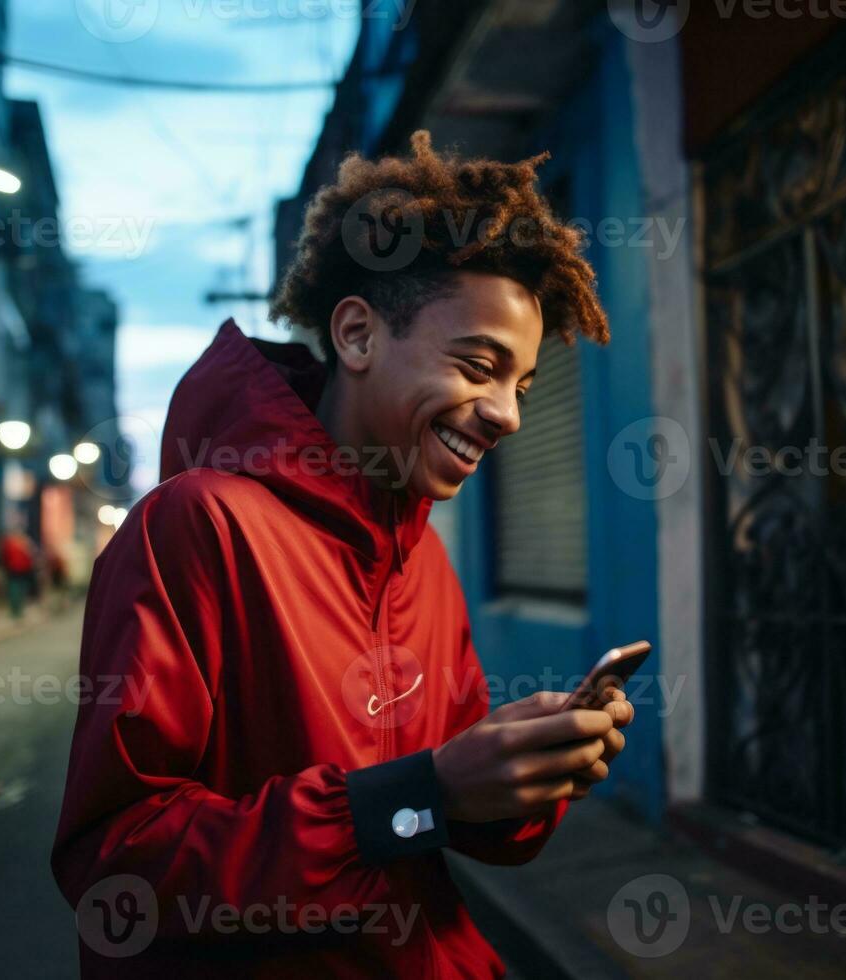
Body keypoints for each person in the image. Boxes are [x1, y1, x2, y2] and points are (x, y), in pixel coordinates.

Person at [52, 131, 635, 977]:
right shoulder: (197, 527)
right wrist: (414, 793)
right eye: (479, 365)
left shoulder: (423, 559)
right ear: (357, 336)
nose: (507, 413)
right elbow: (116, 861)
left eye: (522, 385)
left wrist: (530, 769)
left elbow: (458, 816)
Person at [0, 524, 36, 619]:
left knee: (15, 589)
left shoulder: (11, 542)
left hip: (15, 569)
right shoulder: (24, 542)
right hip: (20, 570)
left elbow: (4, 556)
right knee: (18, 589)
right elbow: (31, 556)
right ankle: (17, 610)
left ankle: (16, 610)